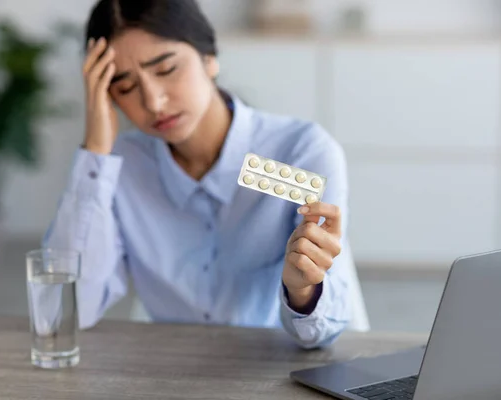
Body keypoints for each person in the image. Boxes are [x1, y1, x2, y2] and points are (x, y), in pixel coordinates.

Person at [43, 0, 352, 349]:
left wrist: (303, 289)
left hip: (284, 367)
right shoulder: (117, 169)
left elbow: (323, 333)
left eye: (166, 69)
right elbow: (64, 311)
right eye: (125, 88)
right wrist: (95, 151)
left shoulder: (300, 153)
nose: (154, 102)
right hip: (174, 373)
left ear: (209, 58)